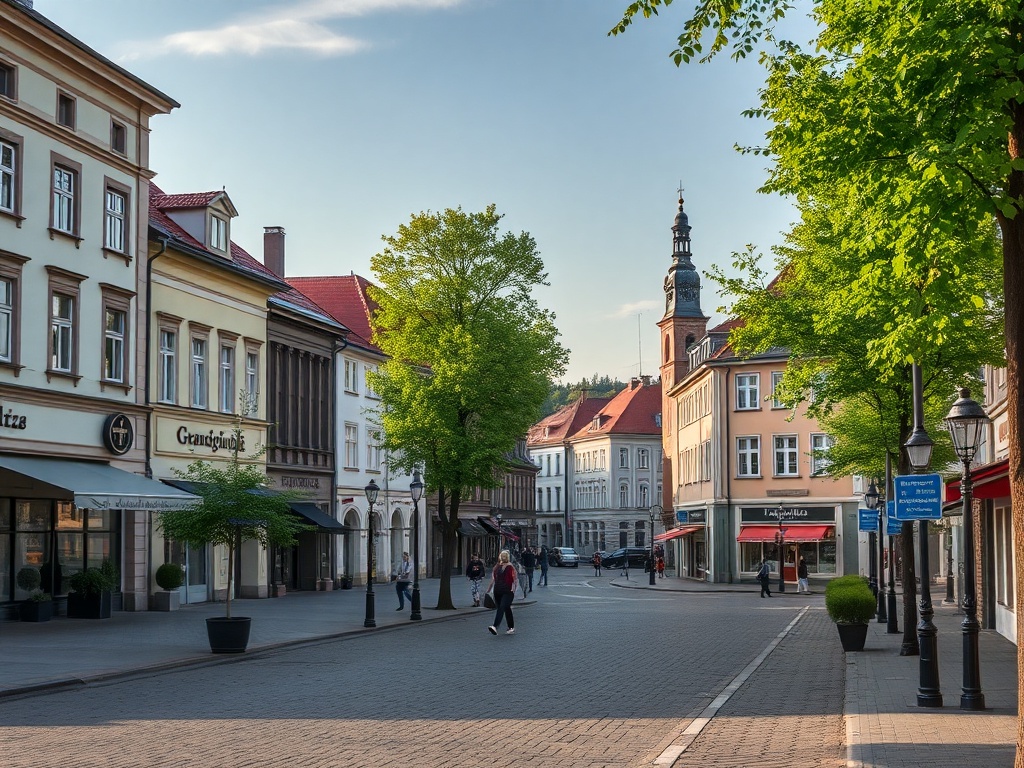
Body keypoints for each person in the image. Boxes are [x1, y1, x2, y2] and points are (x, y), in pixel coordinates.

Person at [487, 549, 517, 635]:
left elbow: (493, 579)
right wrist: (514, 589)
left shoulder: (501, 567)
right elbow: (514, 579)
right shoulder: (505, 567)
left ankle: (495, 626)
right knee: (505, 608)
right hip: (503, 591)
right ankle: (510, 627)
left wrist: (488, 590)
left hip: (502, 591)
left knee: (502, 607)